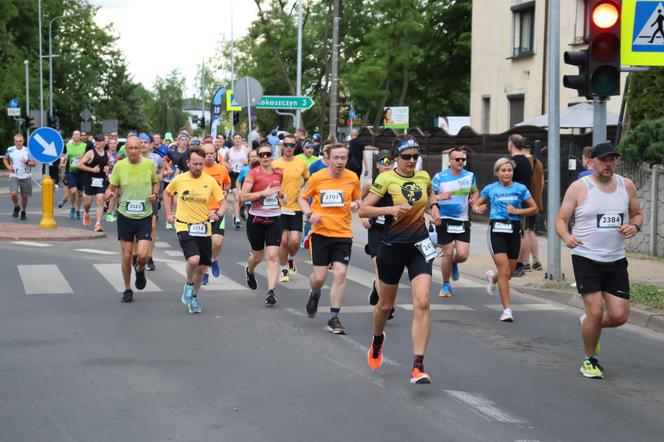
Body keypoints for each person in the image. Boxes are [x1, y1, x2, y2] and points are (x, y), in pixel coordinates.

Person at [555, 142, 642, 379]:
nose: (608, 164)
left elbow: (637, 214)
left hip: (616, 259)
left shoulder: (627, 186)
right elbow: (561, 219)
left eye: (612, 159)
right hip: (586, 257)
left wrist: (634, 226)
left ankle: (589, 324)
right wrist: (566, 236)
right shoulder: (579, 188)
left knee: (619, 316)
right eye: (604, 160)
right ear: (592, 161)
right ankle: (589, 360)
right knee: (595, 311)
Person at [359, 136, 436, 384]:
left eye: (415, 156)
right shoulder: (386, 179)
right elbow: (363, 209)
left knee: (422, 302)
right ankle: (378, 338)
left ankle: (418, 365)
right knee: (384, 305)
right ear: (396, 158)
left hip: (419, 245)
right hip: (391, 247)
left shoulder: (423, 176)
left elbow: (429, 193)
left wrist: (434, 208)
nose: (412, 161)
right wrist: (389, 210)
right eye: (407, 157)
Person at [298, 143, 361, 335]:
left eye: (343, 158)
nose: (340, 161)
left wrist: (357, 205)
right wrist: (309, 214)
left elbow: (358, 199)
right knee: (319, 277)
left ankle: (334, 316)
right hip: (321, 233)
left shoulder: (352, 177)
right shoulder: (317, 178)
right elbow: (301, 197)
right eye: (336, 157)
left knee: (340, 273)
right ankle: (315, 293)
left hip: (342, 234)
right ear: (328, 158)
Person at [474, 158, 538, 322]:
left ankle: (492, 278)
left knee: (508, 273)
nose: (507, 173)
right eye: (503, 170)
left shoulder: (520, 188)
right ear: (497, 173)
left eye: (509, 170)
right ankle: (507, 310)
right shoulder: (490, 188)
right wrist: (477, 207)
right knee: (504, 271)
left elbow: (534, 208)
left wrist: (517, 212)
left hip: (514, 230)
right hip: (496, 231)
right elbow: (476, 204)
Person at [163, 146, 226, 314]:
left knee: (202, 267)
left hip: (204, 227)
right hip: (184, 225)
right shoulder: (180, 179)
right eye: (195, 164)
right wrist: (169, 214)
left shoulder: (210, 181)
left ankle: (195, 297)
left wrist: (218, 214)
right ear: (188, 162)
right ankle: (189, 284)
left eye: (201, 164)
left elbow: (223, 202)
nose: (198, 167)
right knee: (193, 260)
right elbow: (167, 193)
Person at [104, 135, 160, 303]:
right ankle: (127, 289)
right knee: (127, 255)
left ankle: (140, 270)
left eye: (137, 148)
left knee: (142, 256)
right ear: (126, 149)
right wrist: (108, 194)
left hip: (144, 216)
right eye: (131, 148)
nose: (134, 151)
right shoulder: (120, 166)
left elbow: (155, 182)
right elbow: (112, 187)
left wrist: (154, 194)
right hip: (125, 216)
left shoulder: (149, 164)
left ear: (141, 149)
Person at [430, 147, 479, 297]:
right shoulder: (439, 177)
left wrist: (474, 200)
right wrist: (439, 198)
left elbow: (475, 192)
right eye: (457, 159)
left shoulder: (470, 176)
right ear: (450, 161)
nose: (460, 162)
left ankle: (454, 263)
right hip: (444, 219)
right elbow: (429, 196)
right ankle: (446, 285)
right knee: (448, 252)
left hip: (462, 219)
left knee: (463, 255)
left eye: (463, 159)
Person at [241, 142, 285, 305]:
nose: (265, 157)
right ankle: (250, 270)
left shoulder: (279, 173)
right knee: (257, 256)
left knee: (273, 255)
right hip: (256, 219)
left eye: (268, 154)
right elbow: (244, 197)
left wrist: (282, 196)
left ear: (272, 155)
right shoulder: (253, 174)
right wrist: (262, 194)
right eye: (262, 155)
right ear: (258, 157)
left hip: (274, 218)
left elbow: (278, 191)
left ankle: (271, 291)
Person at [360, 149, 395, 319]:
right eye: (383, 162)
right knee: (379, 266)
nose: (386, 165)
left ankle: (377, 288)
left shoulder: (398, 183)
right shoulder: (370, 183)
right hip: (375, 229)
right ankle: (387, 305)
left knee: (390, 268)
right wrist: (364, 218)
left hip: (392, 229)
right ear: (377, 165)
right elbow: (360, 203)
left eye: (389, 162)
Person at [272, 134, 310, 282]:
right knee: (283, 241)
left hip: (296, 208)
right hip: (279, 207)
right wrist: (276, 195)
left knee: (294, 241)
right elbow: (271, 182)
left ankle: (291, 259)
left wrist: (303, 192)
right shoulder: (275, 164)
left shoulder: (301, 164)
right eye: (286, 145)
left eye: (291, 145)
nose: (288, 148)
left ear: (295, 147)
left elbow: (309, 180)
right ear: (282, 146)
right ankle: (283, 269)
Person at [202, 142, 231, 284]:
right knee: (205, 243)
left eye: (211, 153)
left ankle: (213, 259)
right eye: (206, 154)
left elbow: (227, 182)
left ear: (215, 154)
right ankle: (204, 272)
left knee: (217, 242)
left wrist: (226, 191)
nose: (208, 156)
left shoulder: (221, 169)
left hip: (218, 210)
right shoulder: (198, 170)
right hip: (201, 212)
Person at [140, 133, 170, 271]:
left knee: (152, 226)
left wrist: (161, 174)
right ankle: (139, 255)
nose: (143, 145)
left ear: (151, 145)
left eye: (145, 142)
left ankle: (149, 256)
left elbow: (165, 167)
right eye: (140, 142)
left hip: (152, 196)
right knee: (137, 228)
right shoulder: (133, 158)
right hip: (136, 197)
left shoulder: (155, 158)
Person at [507, 134, 533, 277]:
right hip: (525, 200)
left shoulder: (513, 162)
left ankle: (517, 264)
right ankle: (523, 262)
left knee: (519, 234)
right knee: (524, 232)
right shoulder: (526, 161)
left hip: (515, 202)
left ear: (511, 144)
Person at [519, 138, 544, 272]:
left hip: (525, 202)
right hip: (536, 201)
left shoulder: (521, 162)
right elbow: (542, 183)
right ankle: (536, 260)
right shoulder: (537, 162)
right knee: (531, 230)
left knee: (524, 232)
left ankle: (525, 262)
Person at [77, 134, 109, 231]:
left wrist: (107, 168)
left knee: (100, 199)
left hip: (101, 179)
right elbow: (79, 165)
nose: (98, 142)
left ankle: (98, 224)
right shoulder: (91, 152)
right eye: (96, 140)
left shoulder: (106, 153)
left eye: (100, 141)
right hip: (89, 179)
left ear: (104, 142)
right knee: (88, 202)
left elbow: (106, 165)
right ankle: (86, 213)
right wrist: (92, 170)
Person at [3, 134, 35, 220]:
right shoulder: (10, 149)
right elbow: (5, 159)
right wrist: (8, 167)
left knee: (24, 197)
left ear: (23, 141)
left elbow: (34, 163)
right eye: (16, 141)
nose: (18, 143)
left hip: (26, 176)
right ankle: (16, 206)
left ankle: (23, 211)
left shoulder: (28, 150)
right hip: (14, 175)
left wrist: (27, 162)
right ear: (14, 142)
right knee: (13, 194)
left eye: (20, 141)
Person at [164, 132, 189, 230]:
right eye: (182, 140)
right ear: (178, 141)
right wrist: (168, 169)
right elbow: (164, 160)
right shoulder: (172, 152)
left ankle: (178, 219)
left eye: (185, 140)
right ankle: (169, 219)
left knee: (179, 201)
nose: (183, 142)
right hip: (174, 178)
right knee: (171, 200)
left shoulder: (189, 153)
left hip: (185, 179)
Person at [61, 130, 87, 220]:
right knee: (73, 191)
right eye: (74, 134)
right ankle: (72, 207)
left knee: (80, 194)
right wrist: (63, 160)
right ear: (72, 136)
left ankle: (77, 210)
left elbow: (89, 157)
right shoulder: (67, 146)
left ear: (80, 137)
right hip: (70, 171)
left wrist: (83, 158)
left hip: (81, 171)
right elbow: (63, 156)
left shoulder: (85, 146)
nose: (76, 136)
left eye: (78, 135)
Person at [226, 134, 249, 229]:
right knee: (236, 196)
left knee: (241, 198)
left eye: (239, 138)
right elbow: (224, 161)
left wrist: (247, 163)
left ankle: (238, 210)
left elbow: (253, 161)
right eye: (235, 138)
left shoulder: (246, 150)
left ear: (241, 140)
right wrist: (228, 167)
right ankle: (237, 220)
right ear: (233, 140)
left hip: (243, 175)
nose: (237, 140)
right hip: (234, 175)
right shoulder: (229, 151)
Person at [105, 137, 120, 222]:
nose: (113, 145)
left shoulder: (119, 155)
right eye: (111, 143)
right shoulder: (105, 154)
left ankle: (111, 213)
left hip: (115, 177)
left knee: (114, 195)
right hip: (105, 177)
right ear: (108, 144)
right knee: (105, 196)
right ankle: (109, 210)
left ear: (116, 144)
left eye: (114, 143)